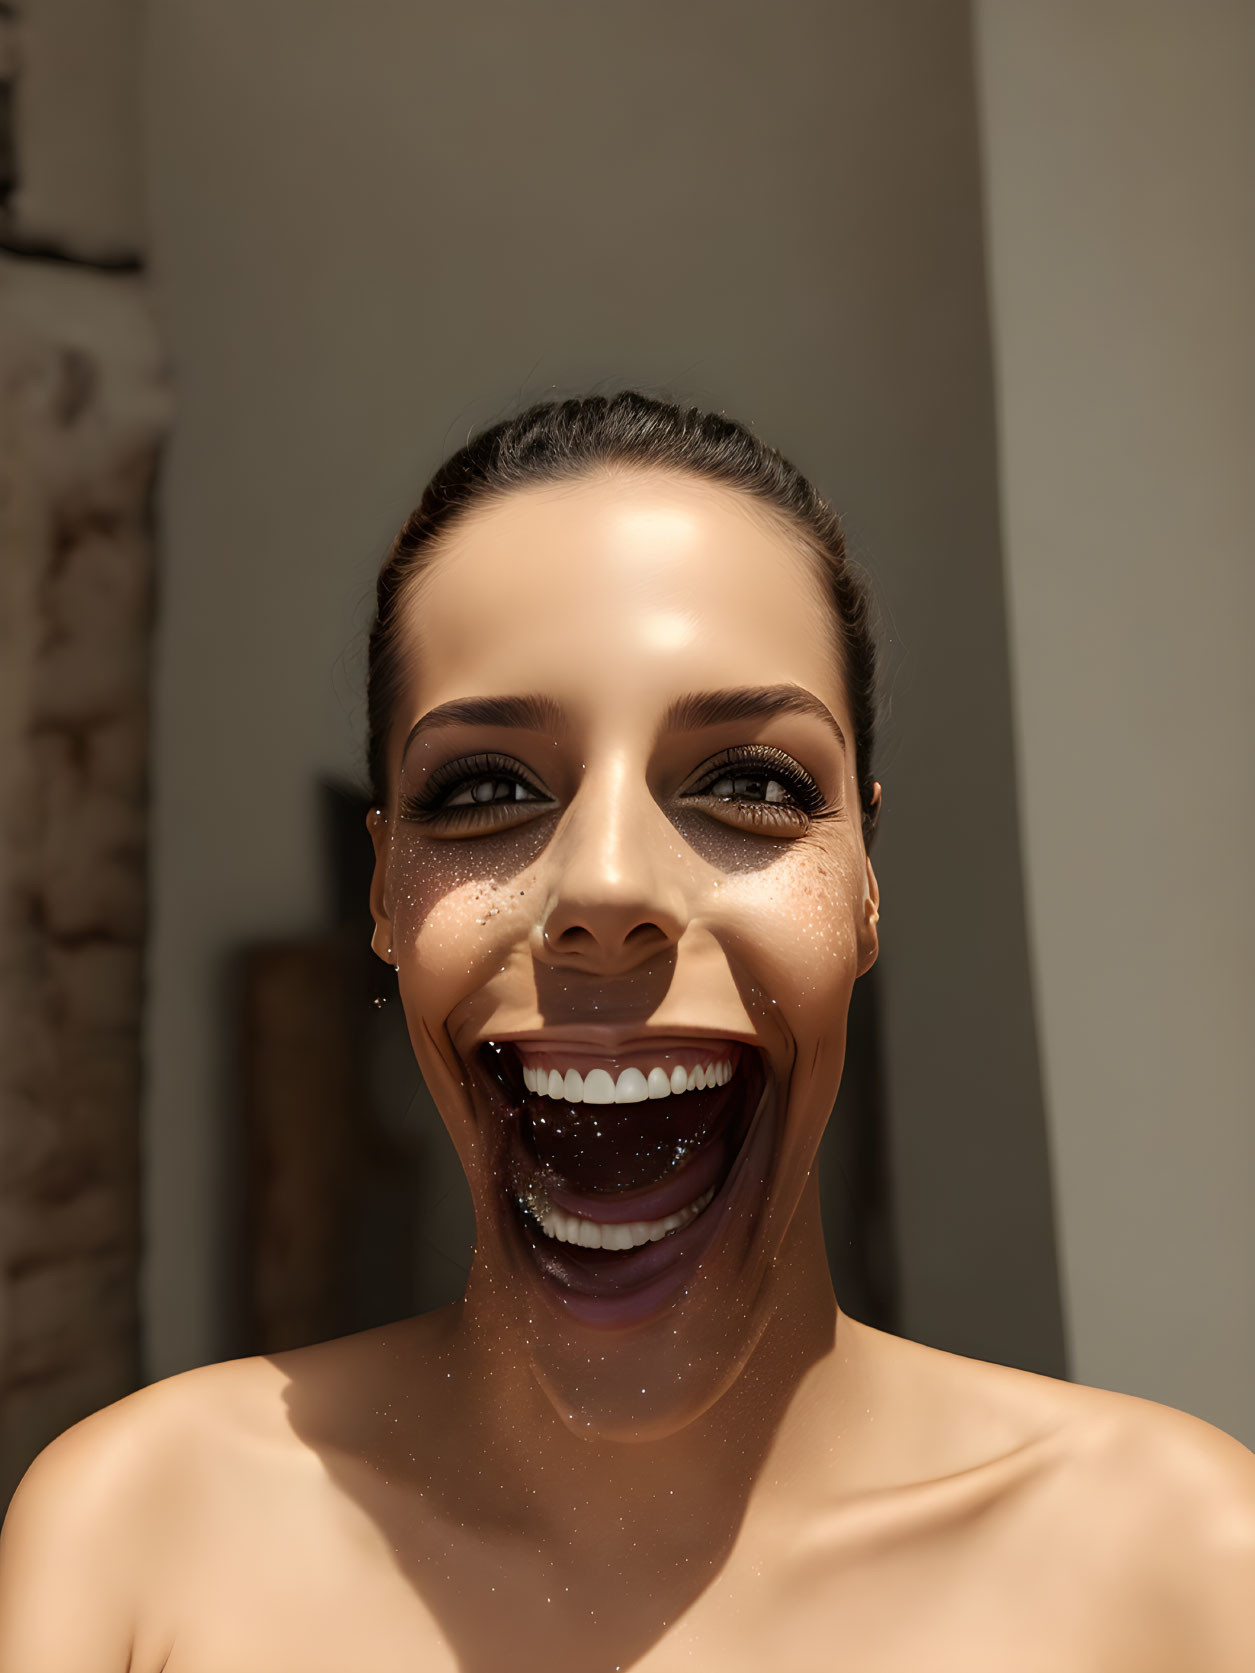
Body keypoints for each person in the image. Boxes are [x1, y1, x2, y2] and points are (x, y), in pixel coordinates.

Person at [1, 393, 1251, 1670]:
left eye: (751, 783)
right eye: (485, 790)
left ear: (867, 882)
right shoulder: (138, 1541)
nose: (605, 887)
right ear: (382, 890)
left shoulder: (1182, 1570)